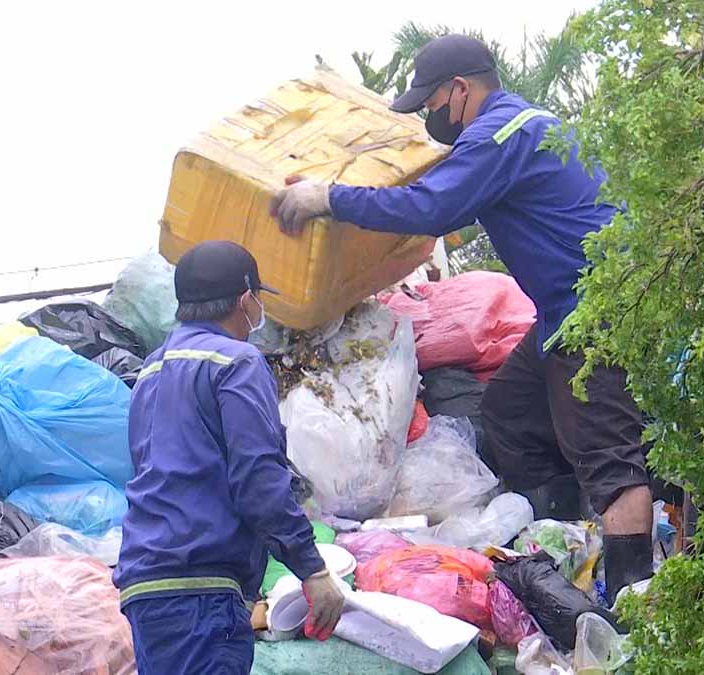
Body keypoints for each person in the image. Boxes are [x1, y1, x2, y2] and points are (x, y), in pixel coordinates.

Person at [271, 34, 652, 604]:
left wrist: (331, 198)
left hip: (593, 311)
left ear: (460, 89)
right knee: (510, 409)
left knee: (609, 456)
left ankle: (632, 601)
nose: (428, 114)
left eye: (430, 101)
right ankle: (566, 539)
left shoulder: (499, 135)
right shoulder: (527, 125)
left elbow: (433, 208)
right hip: (565, 310)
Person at [113, 240, 344, 674]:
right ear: (245, 301)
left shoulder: (151, 369)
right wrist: (311, 570)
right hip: (201, 588)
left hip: (146, 586)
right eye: (258, 298)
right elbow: (258, 478)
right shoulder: (236, 361)